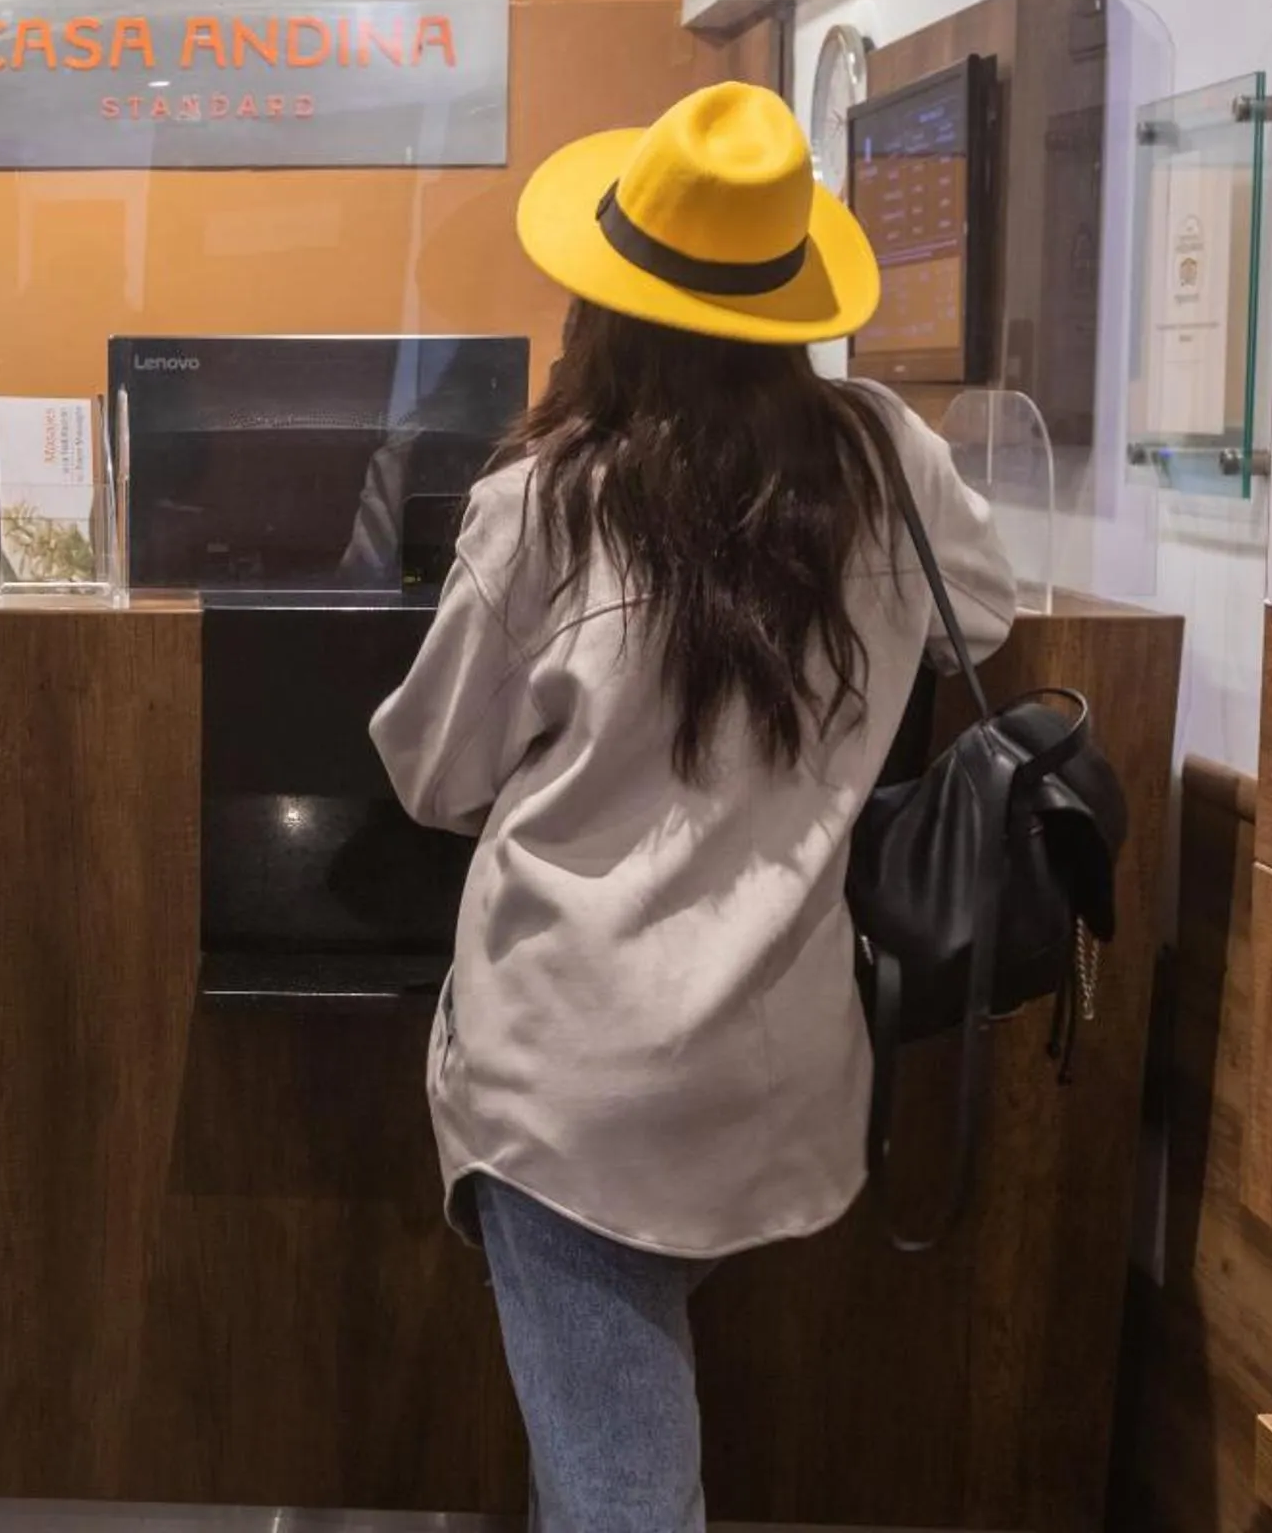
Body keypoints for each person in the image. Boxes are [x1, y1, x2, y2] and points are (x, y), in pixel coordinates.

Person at [370, 83, 1015, 1531]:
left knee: (620, 1493)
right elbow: (989, 605)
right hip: (780, 1074)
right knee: (605, 1440)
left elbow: (433, 771)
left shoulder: (549, 503)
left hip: (573, 1089)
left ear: (607, 301)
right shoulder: (882, 459)